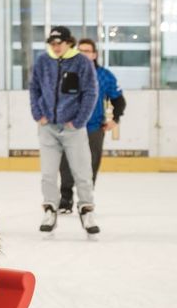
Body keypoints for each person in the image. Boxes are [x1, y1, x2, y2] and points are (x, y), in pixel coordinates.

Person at [30, 25, 99, 235]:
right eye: (52, 43)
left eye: (59, 43)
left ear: (69, 42)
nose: (56, 46)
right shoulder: (42, 61)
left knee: (82, 172)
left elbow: (90, 93)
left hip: (72, 128)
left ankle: (86, 210)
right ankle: (50, 209)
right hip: (48, 127)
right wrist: (37, 114)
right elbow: (34, 88)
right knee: (48, 173)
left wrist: (78, 121)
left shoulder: (81, 62)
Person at [58, 38, 126, 213]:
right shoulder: (67, 73)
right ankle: (65, 200)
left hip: (94, 128)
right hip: (69, 127)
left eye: (87, 51)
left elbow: (118, 100)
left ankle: (85, 200)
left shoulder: (104, 76)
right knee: (66, 164)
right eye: (80, 51)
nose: (83, 54)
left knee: (90, 165)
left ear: (94, 55)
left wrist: (115, 119)